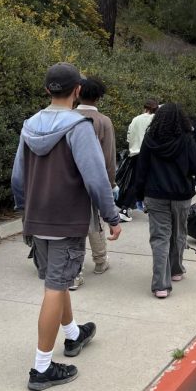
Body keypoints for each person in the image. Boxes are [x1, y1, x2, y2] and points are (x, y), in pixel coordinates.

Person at [11, 62, 122, 391]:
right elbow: (96, 178)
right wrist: (111, 217)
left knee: (56, 281)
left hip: (37, 218)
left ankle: (74, 335)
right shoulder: (79, 126)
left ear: (48, 90)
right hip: (66, 219)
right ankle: (41, 369)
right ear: (77, 90)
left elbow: (18, 177)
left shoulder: (29, 125)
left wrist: (24, 208)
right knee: (56, 288)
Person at [135, 103, 196, 298]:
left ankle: (160, 284)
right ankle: (176, 269)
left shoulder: (149, 140)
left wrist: (138, 194)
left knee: (159, 238)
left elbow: (141, 169)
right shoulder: (187, 139)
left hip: (155, 194)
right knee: (179, 232)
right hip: (181, 194)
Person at [68, 76, 117, 290]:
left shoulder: (66, 117)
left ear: (77, 93)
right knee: (93, 222)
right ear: (99, 97)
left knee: (71, 227)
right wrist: (110, 183)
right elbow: (109, 157)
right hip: (93, 180)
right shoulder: (103, 121)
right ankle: (100, 261)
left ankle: (74, 272)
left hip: (67, 180)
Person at [118, 98, 159, 218]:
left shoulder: (135, 119)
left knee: (135, 181)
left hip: (135, 154)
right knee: (150, 181)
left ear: (145, 107)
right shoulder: (155, 120)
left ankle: (128, 208)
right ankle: (127, 208)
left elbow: (129, 137)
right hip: (150, 155)